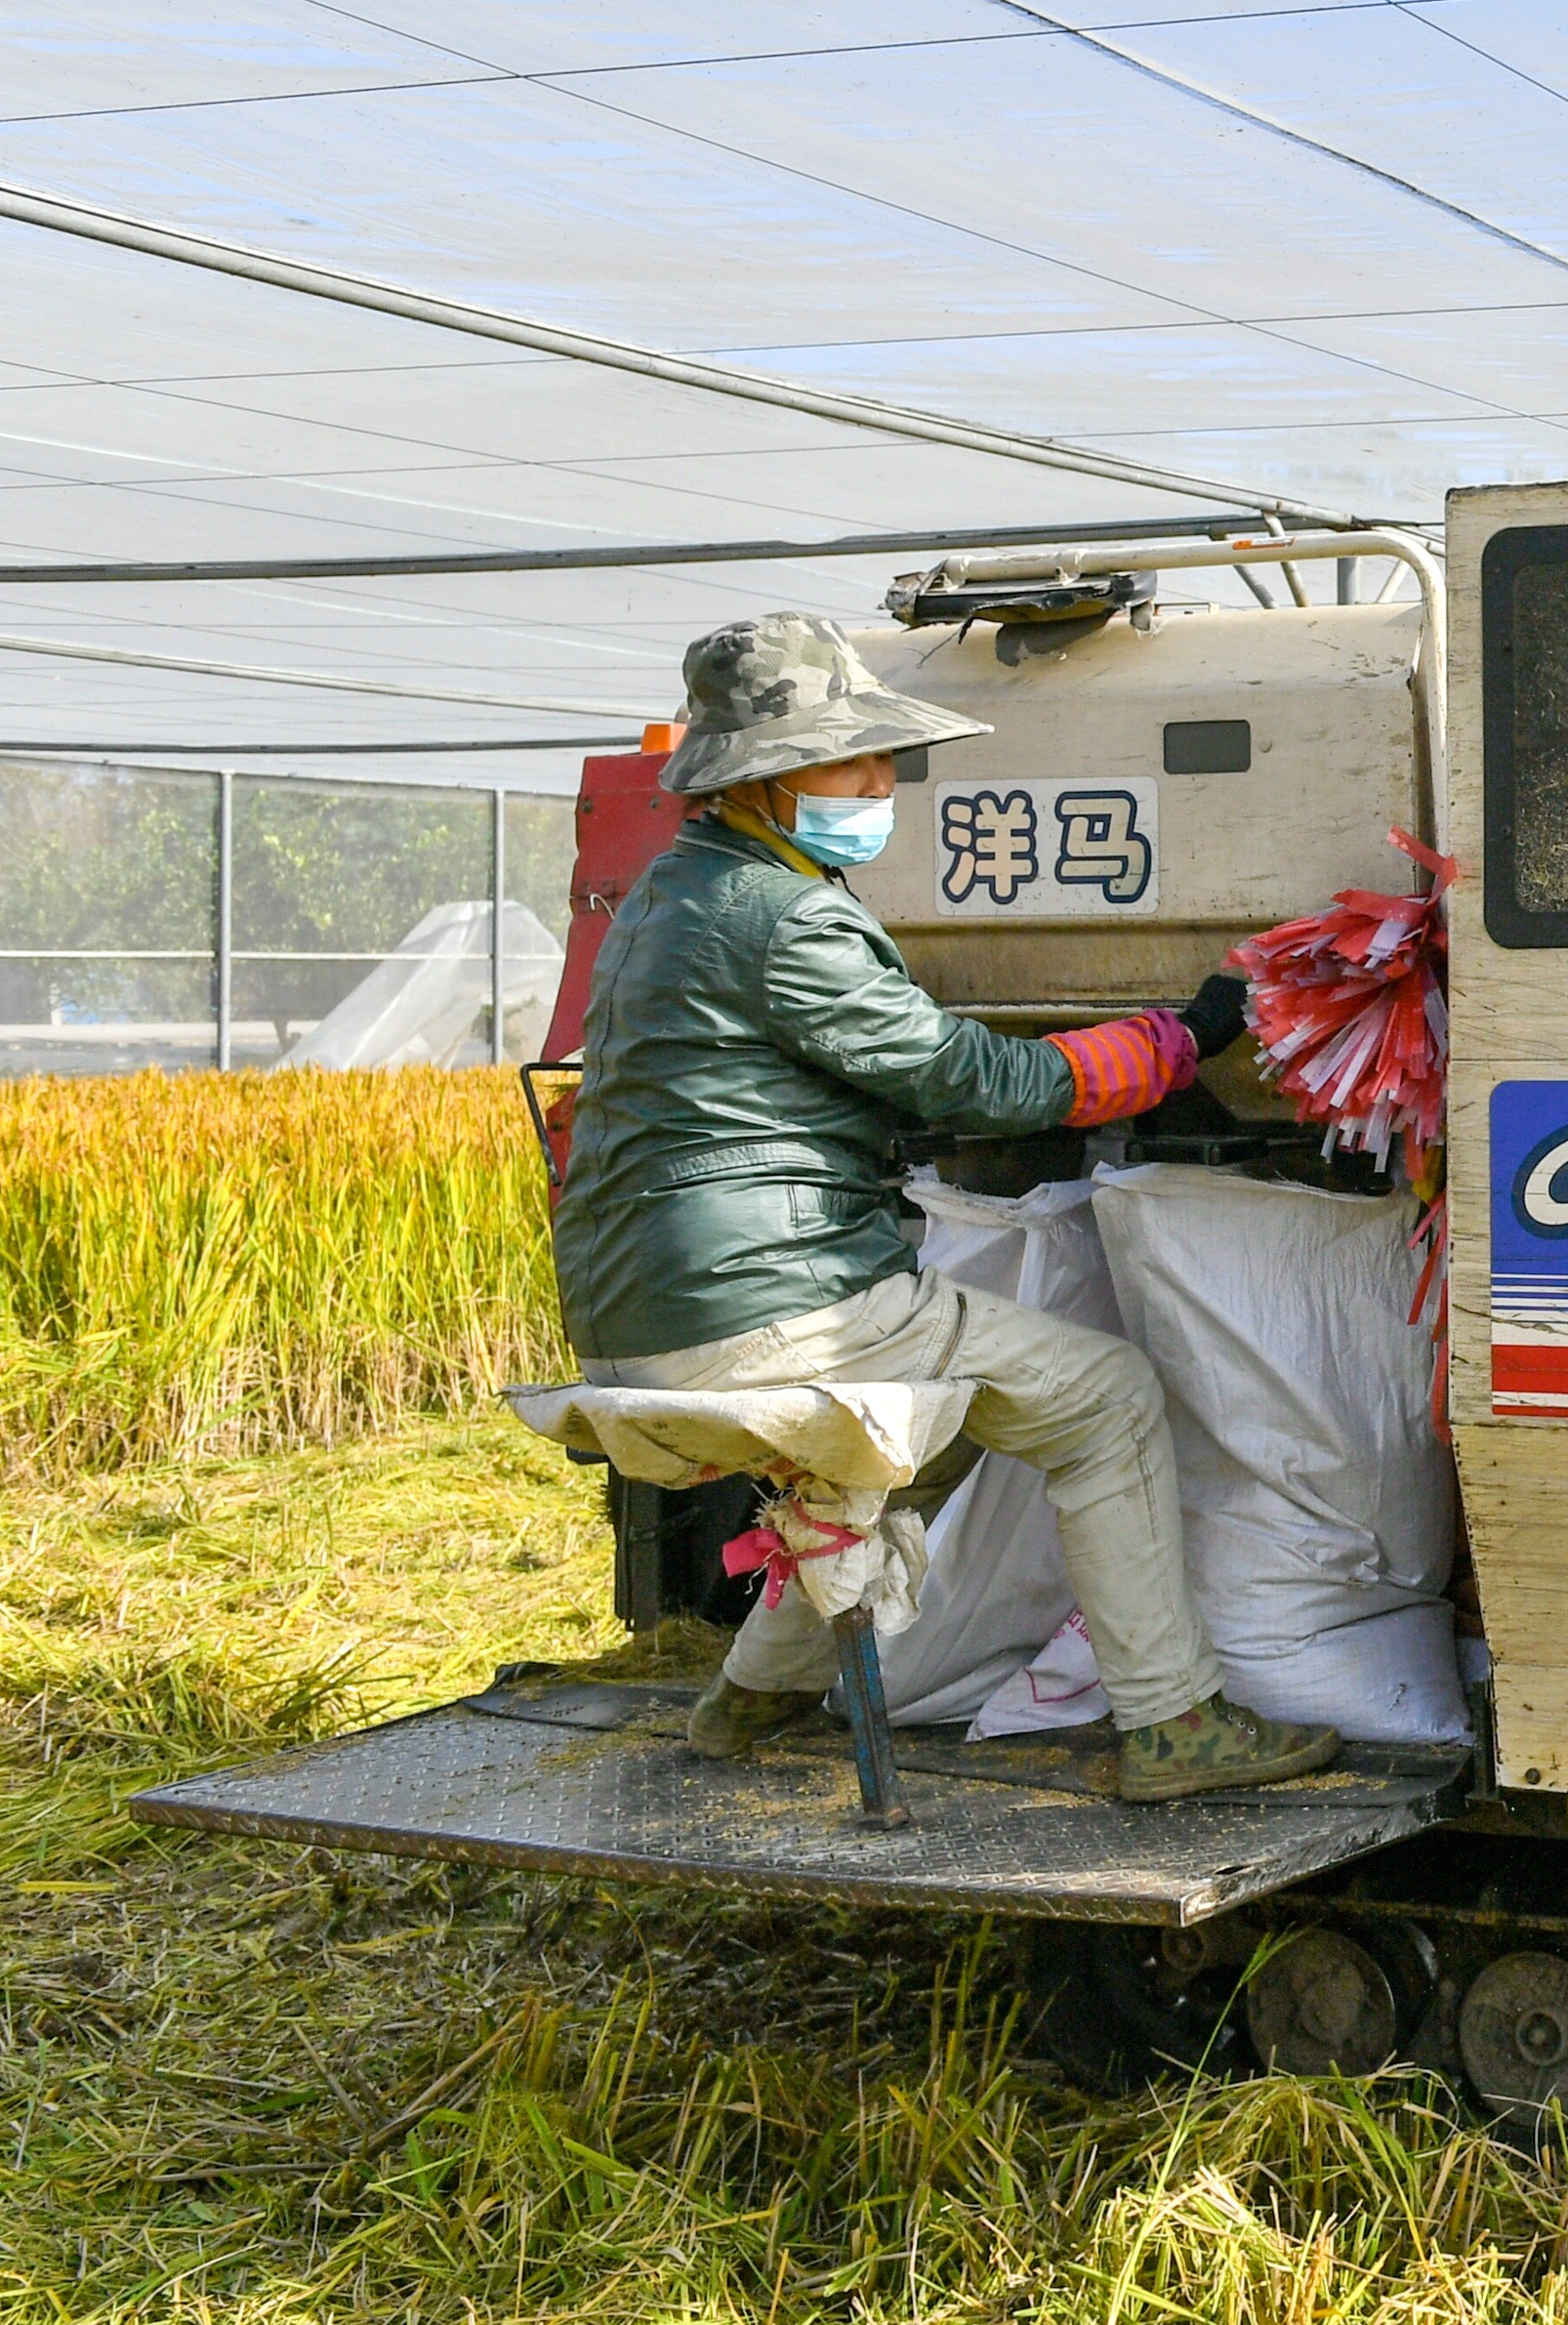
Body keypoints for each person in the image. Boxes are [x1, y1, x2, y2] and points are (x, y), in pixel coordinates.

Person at [551, 611, 1341, 1801]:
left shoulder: (673, 890)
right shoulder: (789, 918)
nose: (880, 783)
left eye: (883, 758)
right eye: (850, 760)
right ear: (764, 781)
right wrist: (1186, 1035)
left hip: (634, 1304)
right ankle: (1175, 1723)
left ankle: (750, 1695)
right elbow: (984, 1080)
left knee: (924, 1423)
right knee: (1104, 1399)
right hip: (761, 1305)